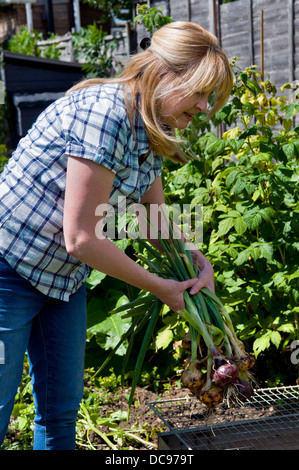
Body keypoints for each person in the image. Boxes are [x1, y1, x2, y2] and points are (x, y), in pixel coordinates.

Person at [0, 21, 233, 450]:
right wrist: (161, 288)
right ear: (165, 75)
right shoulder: (106, 114)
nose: (204, 108)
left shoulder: (151, 127)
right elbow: (82, 238)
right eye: (199, 93)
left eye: (210, 99)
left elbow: (153, 220)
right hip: (8, 268)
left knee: (59, 413)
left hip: (62, 279)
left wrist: (196, 257)